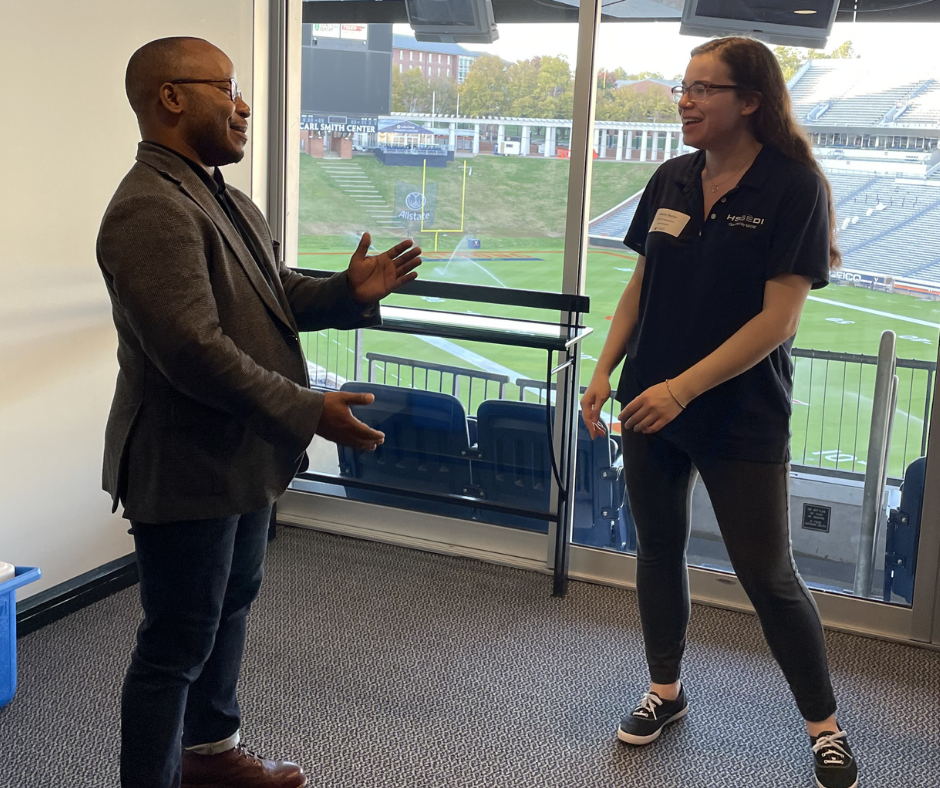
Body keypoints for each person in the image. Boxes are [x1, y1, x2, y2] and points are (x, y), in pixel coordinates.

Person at [97, 37, 421, 788]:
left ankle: (211, 756)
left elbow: (271, 294)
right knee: (175, 642)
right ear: (170, 98)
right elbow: (194, 351)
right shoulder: (148, 208)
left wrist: (346, 291)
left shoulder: (222, 196)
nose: (243, 105)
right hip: (184, 465)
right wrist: (309, 411)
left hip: (241, 455)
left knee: (230, 606)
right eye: (228, 88)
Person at [580, 37, 858, 788]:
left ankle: (823, 726)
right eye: (684, 85)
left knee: (768, 576)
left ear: (751, 101)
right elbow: (642, 283)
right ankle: (665, 692)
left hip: (741, 417)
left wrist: (682, 388)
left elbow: (778, 322)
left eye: (705, 88)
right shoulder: (671, 177)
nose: (685, 100)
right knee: (658, 551)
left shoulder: (795, 186)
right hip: (649, 405)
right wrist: (606, 370)